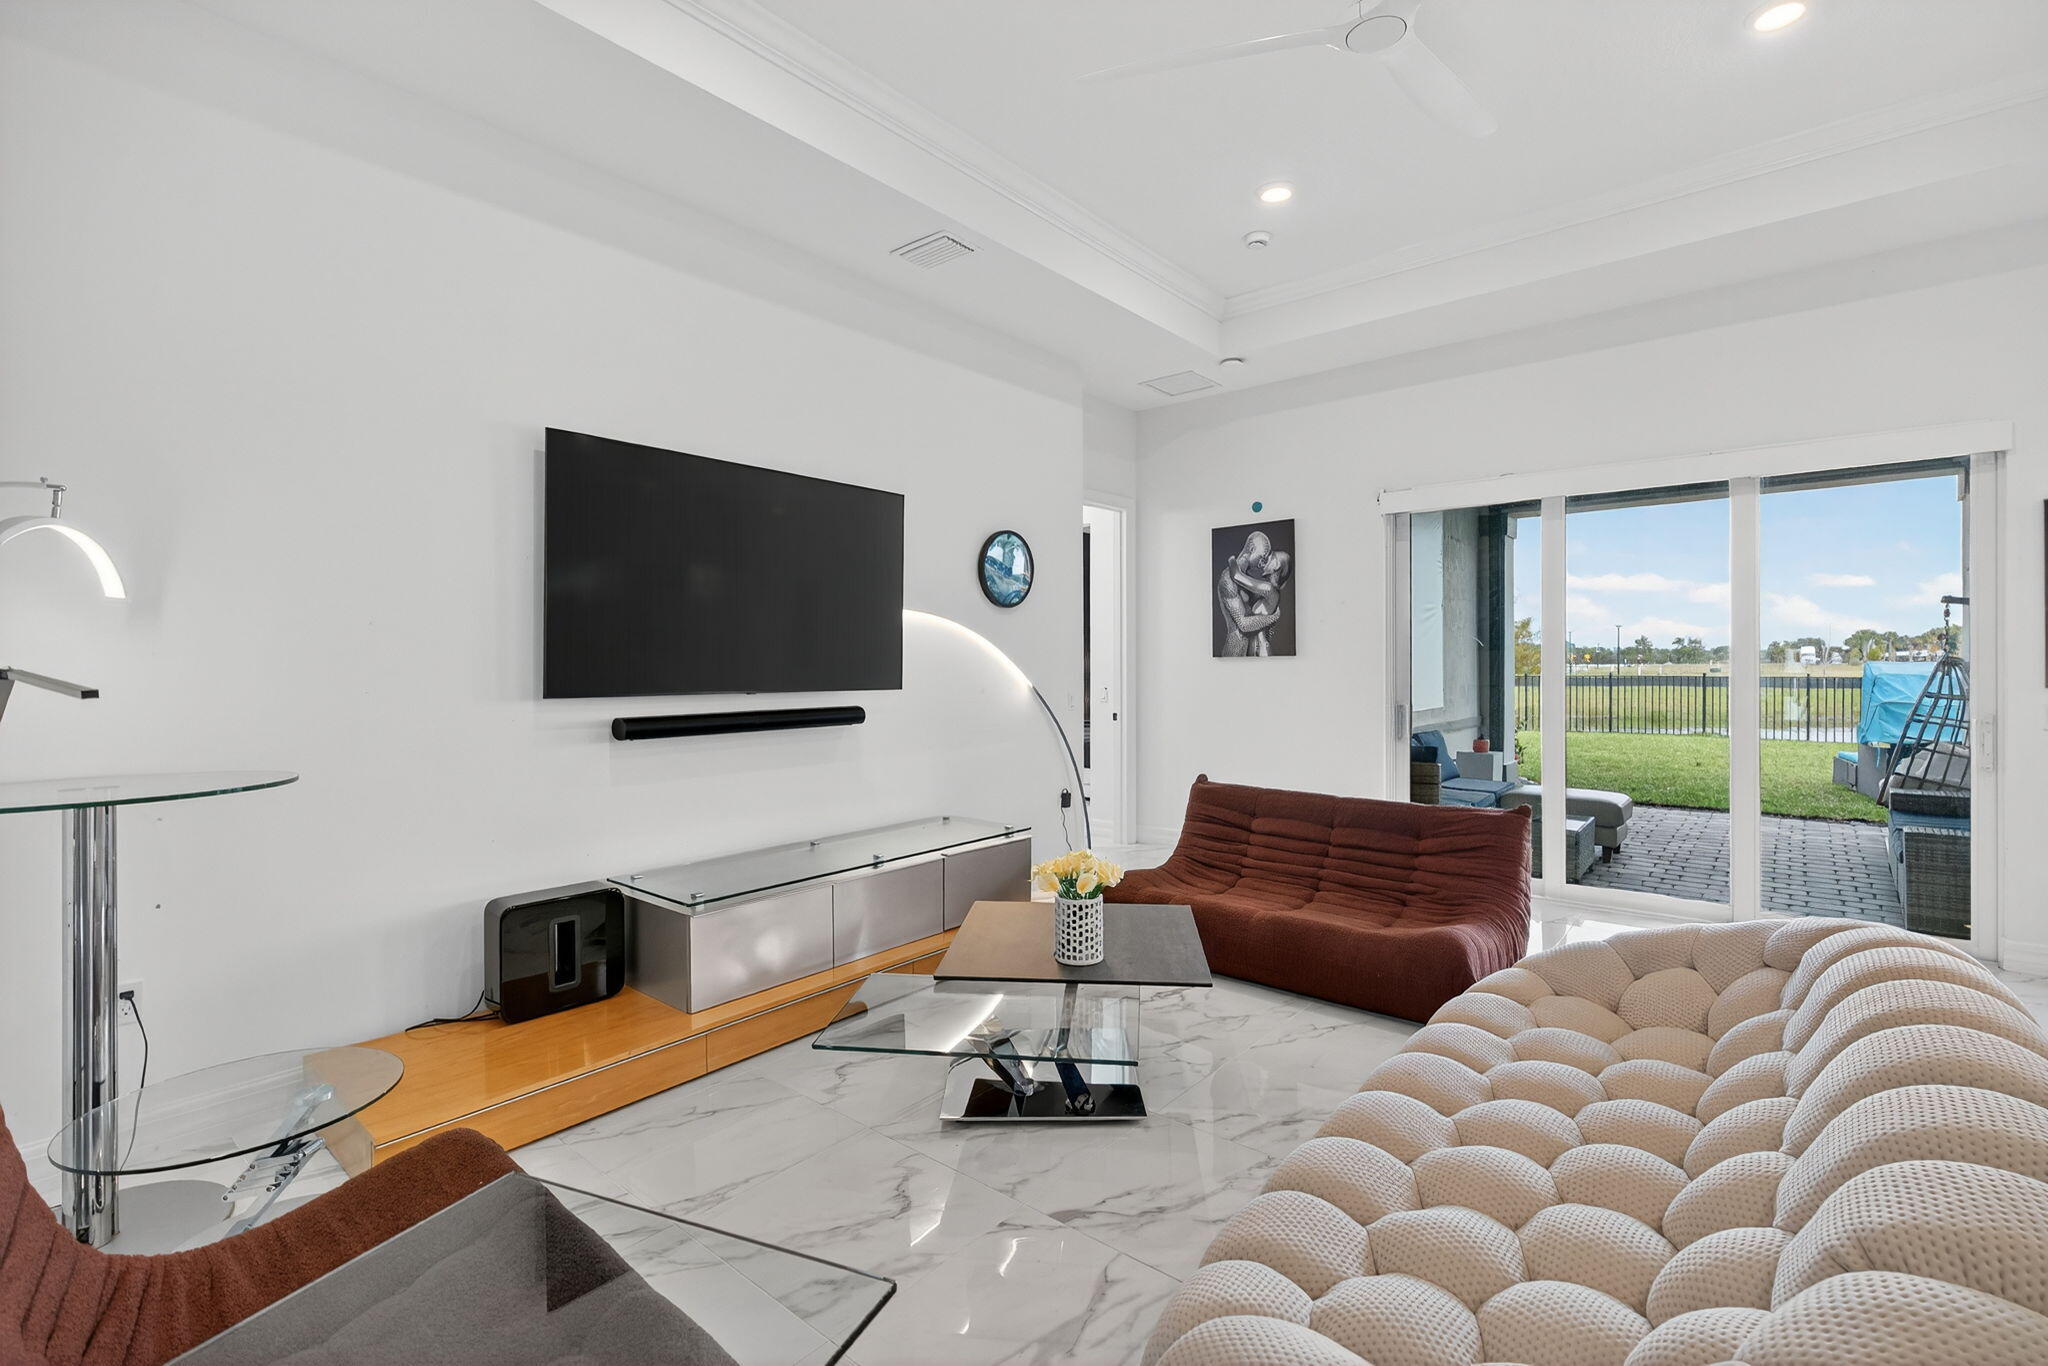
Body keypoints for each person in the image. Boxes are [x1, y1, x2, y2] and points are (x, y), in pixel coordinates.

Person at [1216, 531, 1283, 657]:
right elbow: (1243, 624)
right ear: (1252, 549)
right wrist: (1274, 617)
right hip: (1235, 651)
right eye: (1261, 557)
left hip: (1253, 651)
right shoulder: (1227, 580)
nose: (1262, 563)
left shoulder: (1248, 578)